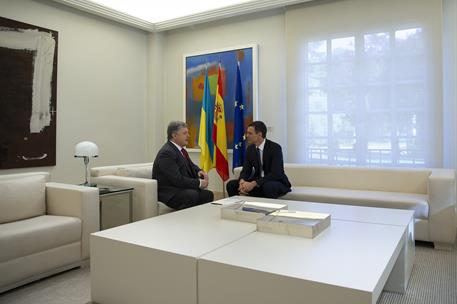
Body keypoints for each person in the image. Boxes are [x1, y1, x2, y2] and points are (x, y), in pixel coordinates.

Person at [152, 121, 214, 210]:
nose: (188, 136)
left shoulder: (181, 150)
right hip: (170, 193)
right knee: (192, 195)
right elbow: (177, 180)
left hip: (180, 189)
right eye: (185, 133)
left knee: (208, 195)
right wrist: (200, 183)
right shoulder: (166, 153)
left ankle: (199, 221)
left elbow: (192, 166)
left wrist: (199, 171)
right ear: (174, 135)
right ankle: (184, 222)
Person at [226, 121, 291, 198]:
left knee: (268, 187)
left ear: (259, 134)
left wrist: (253, 184)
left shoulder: (275, 148)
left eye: (250, 133)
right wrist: (242, 181)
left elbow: (275, 173)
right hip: (258, 181)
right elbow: (246, 170)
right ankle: (237, 207)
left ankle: (266, 209)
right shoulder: (250, 149)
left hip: (275, 181)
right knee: (231, 185)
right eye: (247, 133)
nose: (247, 136)